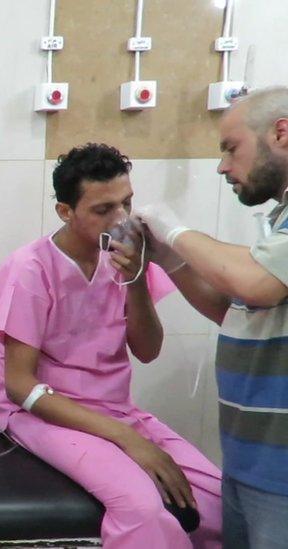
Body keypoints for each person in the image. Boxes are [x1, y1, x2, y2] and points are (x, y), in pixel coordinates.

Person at [0, 143, 222, 548]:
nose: (121, 220)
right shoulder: (31, 268)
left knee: (220, 504)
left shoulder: (127, 258)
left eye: (126, 203)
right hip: (41, 413)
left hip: (114, 408)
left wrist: (136, 280)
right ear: (66, 211)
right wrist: (126, 439)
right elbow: (19, 385)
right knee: (143, 509)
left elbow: (148, 351)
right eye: (103, 210)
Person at [137, 87, 288, 549]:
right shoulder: (279, 221)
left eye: (230, 147)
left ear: (282, 133)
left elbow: (256, 282)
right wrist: (168, 258)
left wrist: (174, 228)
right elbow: (238, 310)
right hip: (249, 463)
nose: (222, 166)